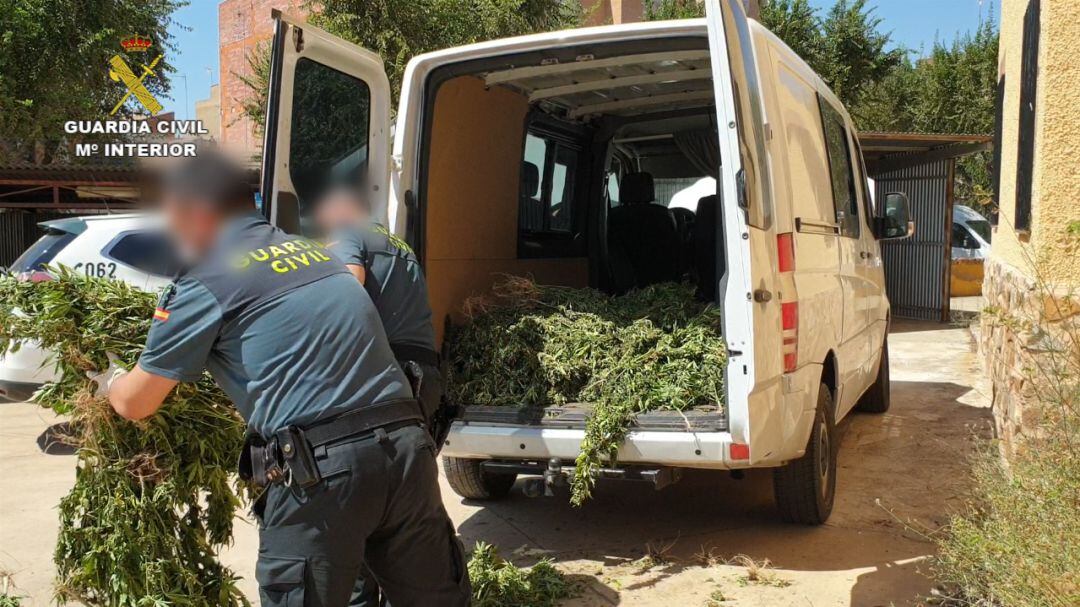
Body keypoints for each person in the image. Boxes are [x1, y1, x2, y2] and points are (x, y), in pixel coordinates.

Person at [89, 154, 471, 607]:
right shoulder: (319, 255)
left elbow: (137, 403)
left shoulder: (204, 281)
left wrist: (107, 381)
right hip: (409, 452)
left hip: (323, 473)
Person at [314, 186, 451, 607]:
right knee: (405, 504)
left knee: (361, 501)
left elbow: (346, 291)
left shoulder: (347, 234)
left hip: (386, 377)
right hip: (422, 376)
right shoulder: (398, 245)